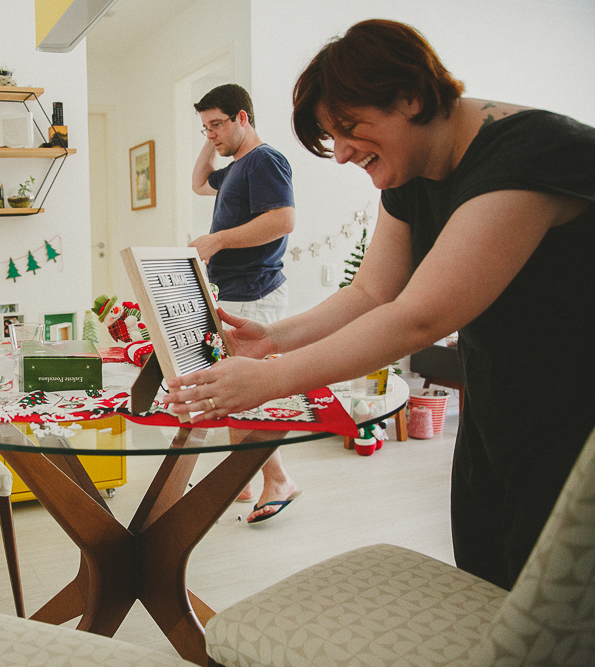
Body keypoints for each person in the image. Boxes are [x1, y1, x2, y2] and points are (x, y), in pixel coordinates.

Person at [165, 19, 595, 590]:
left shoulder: (530, 152)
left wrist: (268, 381)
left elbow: (420, 316)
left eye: (348, 130)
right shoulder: (412, 172)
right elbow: (371, 292)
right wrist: (273, 339)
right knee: (490, 580)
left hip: (573, 411)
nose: (341, 154)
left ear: (410, 97)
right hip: (500, 400)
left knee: (557, 603)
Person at [191, 83, 299, 524]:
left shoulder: (264, 160)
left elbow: (283, 219)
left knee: (243, 394)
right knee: (233, 392)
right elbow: (199, 183)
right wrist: (211, 138)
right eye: (204, 126)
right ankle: (245, 477)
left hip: (257, 294)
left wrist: (215, 240)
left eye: (218, 123)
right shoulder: (236, 166)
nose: (211, 133)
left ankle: (278, 479)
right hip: (238, 292)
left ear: (243, 117)